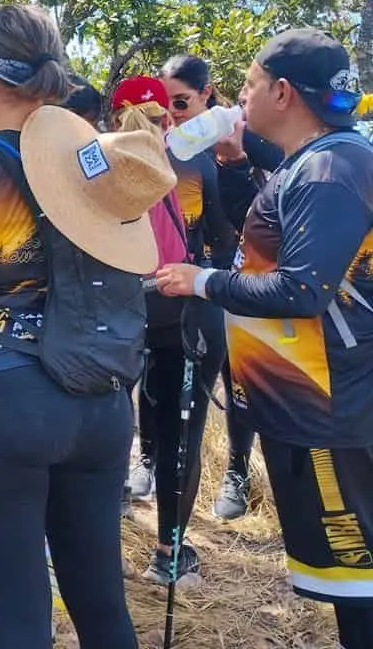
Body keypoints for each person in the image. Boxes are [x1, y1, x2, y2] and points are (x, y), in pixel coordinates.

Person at [0, 5, 156, 648]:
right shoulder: (99, 161)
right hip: (102, 403)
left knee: (23, 619)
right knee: (103, 605)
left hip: (5, 400)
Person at [156, 28, 373, 648]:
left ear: (282, 92)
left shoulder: (332, 169)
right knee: (349, 586)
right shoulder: (317, 159)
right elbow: (281, 219)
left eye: (248, 86)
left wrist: (203, 281)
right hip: (309, 406)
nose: (241, 97)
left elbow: (301, 291)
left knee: (360, 585)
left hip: (332, 412)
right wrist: (235, 156)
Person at [110, 77, 235, 586]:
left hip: (118, 312)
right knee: (180, 434)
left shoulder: (99, 162)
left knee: (107, 422)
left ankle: (100, 533)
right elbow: (224, 238)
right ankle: (170, 555)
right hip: (185, 311)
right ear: (168, 116)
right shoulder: (196, 162)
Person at [160, 53, 284, 520]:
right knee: (184, 389)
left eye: (181, 101)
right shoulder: (172, 143)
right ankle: (154, 464)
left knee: (241, 382)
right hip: (198, 280)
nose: (173, 112)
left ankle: (236, 470)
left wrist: (237, 159)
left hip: (242, 275)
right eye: (165, 102)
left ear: (207, 94)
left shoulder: (240, 133)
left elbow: (280, 183)